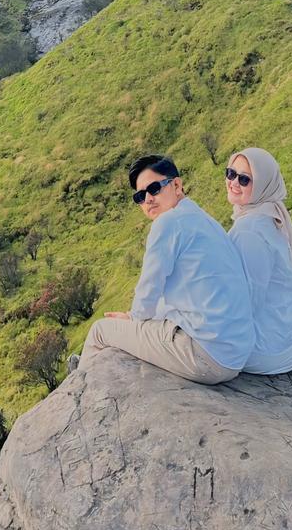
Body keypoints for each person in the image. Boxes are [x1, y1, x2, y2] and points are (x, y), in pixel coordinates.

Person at [77, 154, 255, 384]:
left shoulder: (168, 222)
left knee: (100, 331)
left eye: (154, 189)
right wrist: (134, 316)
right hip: (234, 356)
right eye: (140, 196)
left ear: (177, 185)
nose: (148, 199)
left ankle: (79, 388)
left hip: (206, 357)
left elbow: (149, 290)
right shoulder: (202, 219)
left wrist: (134, 318)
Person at [226, 148, 292, 374]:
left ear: (263, 184)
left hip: (266, 352)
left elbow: (247, 302)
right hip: (288, 343)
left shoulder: (249, 231)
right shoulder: (270, 215)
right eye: (230, 173)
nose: (233, 182)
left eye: (244, 179)